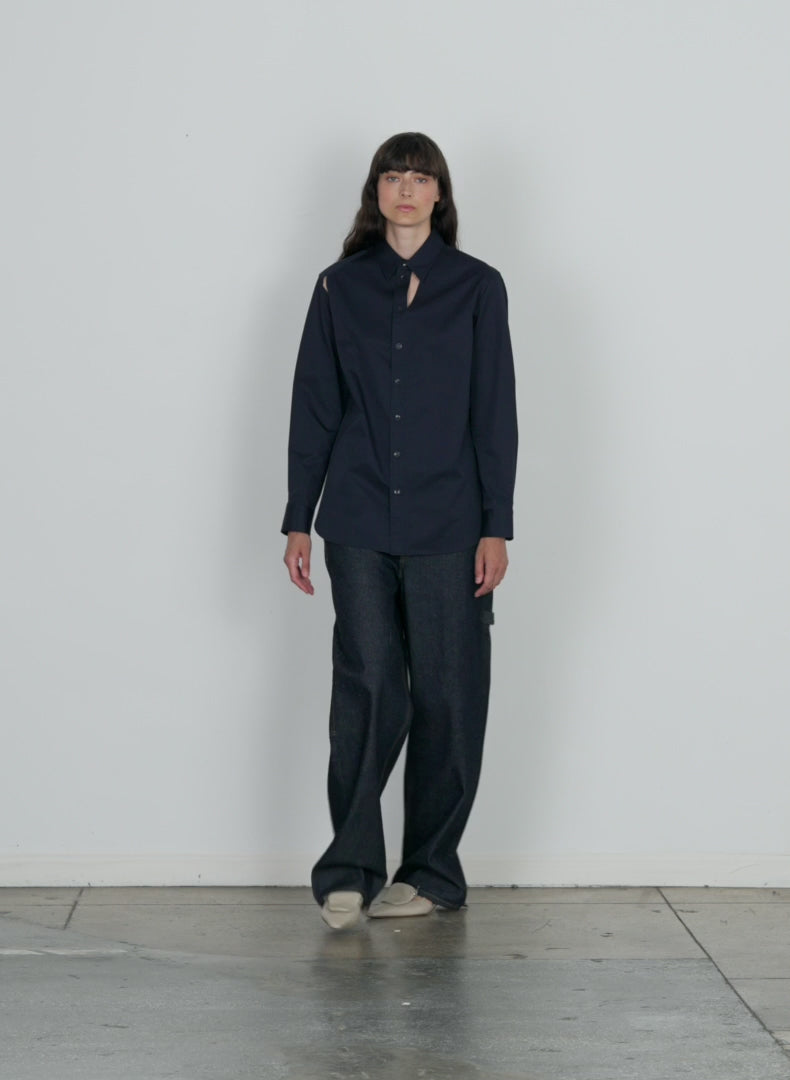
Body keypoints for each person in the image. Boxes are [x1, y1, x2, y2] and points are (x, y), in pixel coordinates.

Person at [281, 132, 517, 930]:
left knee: (450, 695)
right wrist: (298, 518)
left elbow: (494, 413)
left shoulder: (478, 287)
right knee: (367, 689)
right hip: (355, 519)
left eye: (421, 177)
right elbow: (314, 407)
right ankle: (348, 871)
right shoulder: (338, 287)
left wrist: (496, 525)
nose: (407, 188)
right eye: (394, 175)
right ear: (375, 191)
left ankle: (431, 874)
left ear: (439, 194)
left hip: (451, 523)